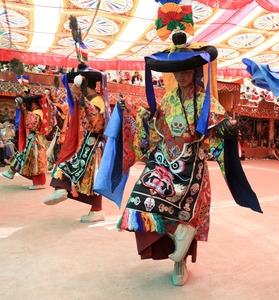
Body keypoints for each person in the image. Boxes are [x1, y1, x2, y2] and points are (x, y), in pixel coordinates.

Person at [96, 31, 261, 286]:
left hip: (190, 163)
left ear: (195, 71)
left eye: (186, 70)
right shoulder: (170, 98)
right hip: (163, 160)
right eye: (177, 71)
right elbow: (155, 129)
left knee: (184, 210)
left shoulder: (205, 100)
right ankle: (178, 235)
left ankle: (180, 263)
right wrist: (134, 117)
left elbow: (218, 124)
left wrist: (228, 128)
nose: (181, 75)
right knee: (141, 199)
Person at [43, 65, 110, 223]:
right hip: (87, 142)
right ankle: (62, 188)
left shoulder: (98, 100)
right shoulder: (93, 99)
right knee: (75, 167)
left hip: (93, 145)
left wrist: (81, 98)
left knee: (88, 176)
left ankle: (94, 209)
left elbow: (95, 120)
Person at [2, 93, 54, 189]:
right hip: (34, 140)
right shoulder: (38, 111)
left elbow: (31, 124)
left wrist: (23, 109)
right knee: (28, 158)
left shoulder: (38, 112)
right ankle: (11, 171)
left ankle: (38, 182)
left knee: (34, 161)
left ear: (33, 102)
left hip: (36, 141)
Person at [45, 88, 70, 171]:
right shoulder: (56, 110)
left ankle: (59, 165)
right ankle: (52, 162)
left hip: (65, 133)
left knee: (61, 148)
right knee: (55, 147)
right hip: (57, 132)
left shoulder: (66, 110)